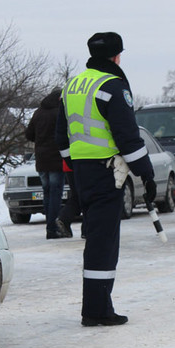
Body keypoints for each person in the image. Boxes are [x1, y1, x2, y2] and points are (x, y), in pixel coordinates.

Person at [55, 31, 156, 326]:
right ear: (116, 56)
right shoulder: (113, 85)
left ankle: (97, 306)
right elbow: (128, 137)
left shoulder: (71, 86)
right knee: (104, 242)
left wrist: (73, 166)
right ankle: (97, 311)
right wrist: (146, 174)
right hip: (106, 172)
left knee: (96, 238)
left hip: (83, 172)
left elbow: (62, 137)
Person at [25, 89, 69, 239]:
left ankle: (50, 226)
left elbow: (28, 134)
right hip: (56, 158)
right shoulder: (60, 112)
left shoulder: (38, 113)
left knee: (47, 193)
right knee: (56, 194)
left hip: (41, 159)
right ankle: (52, 228)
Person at [55, 158, 81, 238]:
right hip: (80, 162)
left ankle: (64, 219)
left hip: (70, 163)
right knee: (80, 195)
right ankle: (64, 218)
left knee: (77, 195)